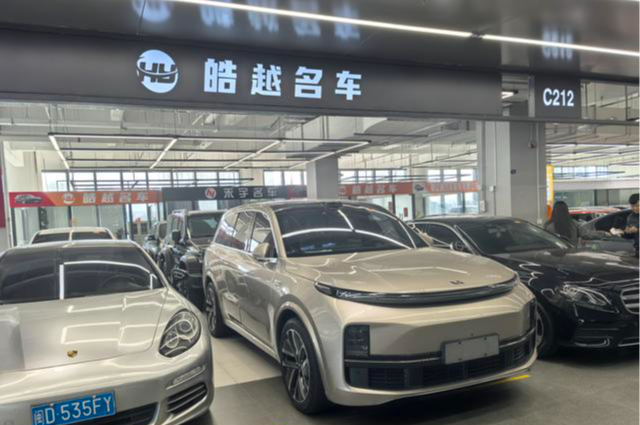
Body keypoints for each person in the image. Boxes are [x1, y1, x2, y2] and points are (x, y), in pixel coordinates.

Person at [545, 201, 609, 245]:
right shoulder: (573, 224)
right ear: (566, 211)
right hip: (571, 254)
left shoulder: (548, 226)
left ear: (554, 211)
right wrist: (603, 233)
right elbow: (587, 234)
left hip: (553, 255)